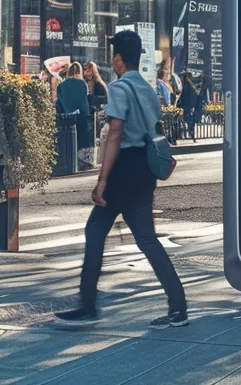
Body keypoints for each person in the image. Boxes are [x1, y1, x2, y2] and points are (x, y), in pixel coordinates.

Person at [55, 30, 187, 328]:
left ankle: (87, 305)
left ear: (117, 58)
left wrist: (102, 180)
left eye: (113, 54)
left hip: (123, 169)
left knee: (96, 230)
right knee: (144, 239)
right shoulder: (147, 88)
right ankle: (177, 306)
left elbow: (115, 132)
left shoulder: (119, 88)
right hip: (144, 169)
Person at [58, 63, 93, 165]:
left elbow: (59, 101)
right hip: (83, 116)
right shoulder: (82, 84)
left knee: (70, 141)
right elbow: (85, 99)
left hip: (67, 117)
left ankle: (70, 161)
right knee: (83, 141)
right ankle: (84, 162)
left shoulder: (61, 86)